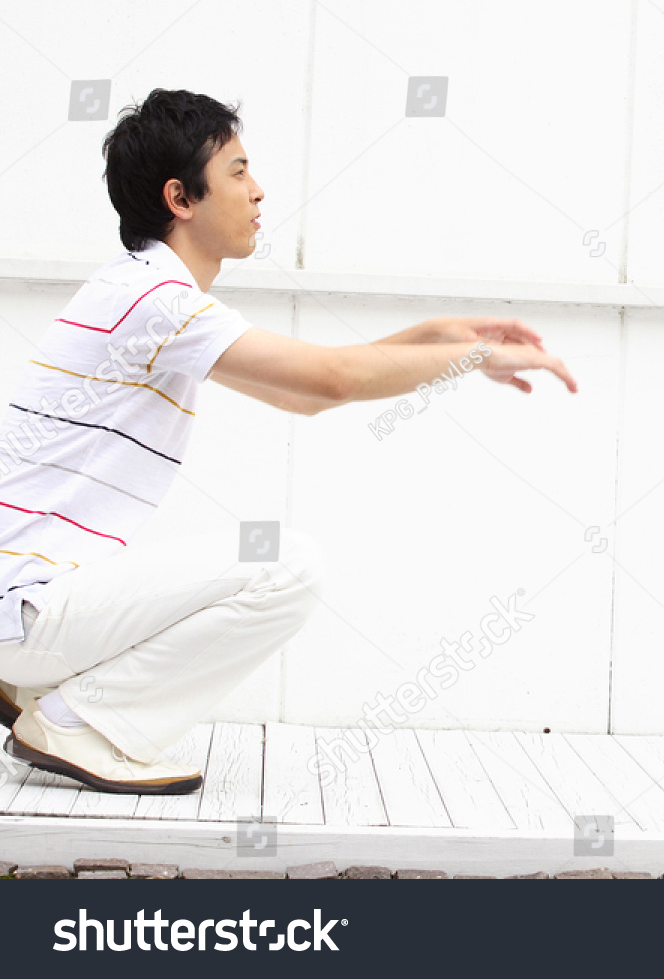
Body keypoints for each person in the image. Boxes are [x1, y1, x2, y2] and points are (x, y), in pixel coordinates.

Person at [0, 88, 577, 795]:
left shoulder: (141, 290)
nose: (258, 190)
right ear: (181, 197)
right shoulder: (160, 302)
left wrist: (435, 338)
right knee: (284, 564)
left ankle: (38, 691)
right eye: (238, 172)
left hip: (22, 604)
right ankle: (76, 721)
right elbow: (331, 381)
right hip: (24, 606)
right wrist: (472, 359)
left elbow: (301, 392)